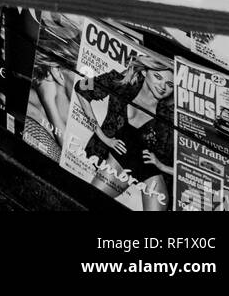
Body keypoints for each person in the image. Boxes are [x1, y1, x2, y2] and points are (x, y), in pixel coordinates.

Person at [75, 56, 175, 211]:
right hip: (119, 163)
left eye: (169, 85)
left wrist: (161, 166)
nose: (163, 86)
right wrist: (103, 137)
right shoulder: (122, 83)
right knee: (86, 204)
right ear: (144, 72)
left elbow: (186, 164)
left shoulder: (170, 115)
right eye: (158, 77)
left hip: (151, 173)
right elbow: (82, 88)